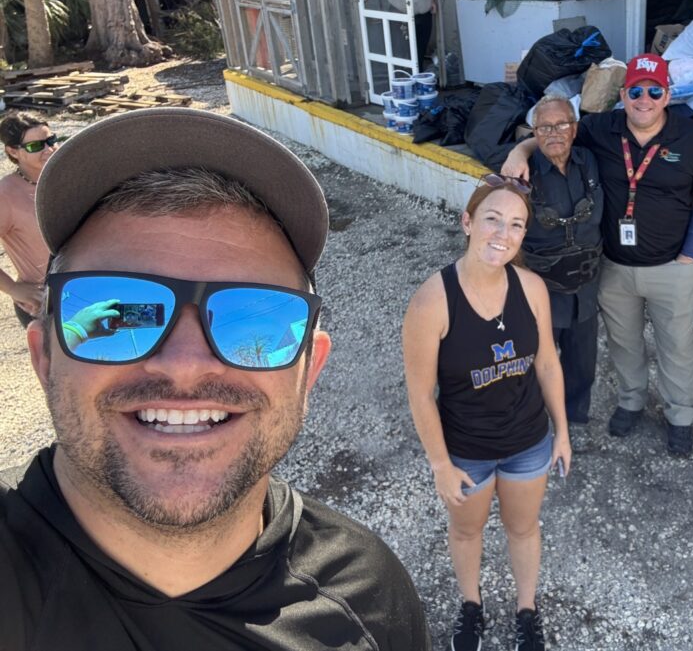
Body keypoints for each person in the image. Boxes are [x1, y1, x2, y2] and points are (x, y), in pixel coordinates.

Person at [0, 108, 430, 650]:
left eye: (255, 318)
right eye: (123, 312)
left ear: (309, 371)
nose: (185, 364)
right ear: (44, 358)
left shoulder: (370, 597)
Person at [504, 53, 693, 456]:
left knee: (676, 346)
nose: (644, 99)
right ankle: (631, 401)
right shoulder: (600, 128)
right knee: (624, 343)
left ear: (667, 95)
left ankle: (679, 417)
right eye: (636, 90)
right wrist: (520, 152)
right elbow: (556, 131)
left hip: (671, 266)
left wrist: (690, 256)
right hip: (613, 267)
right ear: (623, 95)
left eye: (654, 91)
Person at [402, 173, 571, 651]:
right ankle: (471, 606)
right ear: (468, 222)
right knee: (466, 529)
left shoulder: (532, 288)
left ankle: (526, 610)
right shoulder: (432, 301)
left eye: (516, 225)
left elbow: (548, 362)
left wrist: (561, 433)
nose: (504, 234)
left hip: (527, 444)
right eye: (493, 220)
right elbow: (419, 393)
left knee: (523, 528)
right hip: (467, 452)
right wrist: (439, 464)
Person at [522, 94, 604, 450]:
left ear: (575, 128)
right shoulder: (519, 173)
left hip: (586, 283)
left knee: (583, 357)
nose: (553, 133)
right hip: (542, 285)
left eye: (561, 125)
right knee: (536, 358)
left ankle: (574, 418)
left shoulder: (591, 161)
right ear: (534, 132)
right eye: (544, 127)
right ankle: (531, 420)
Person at [0, 115, 56, 327]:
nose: (49, 150)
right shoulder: (6, 195)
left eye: (51, 140)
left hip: (90, 292)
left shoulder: (65, 177)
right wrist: (14, 289)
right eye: (35, 146)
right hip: (45, 306)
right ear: (13, 152)